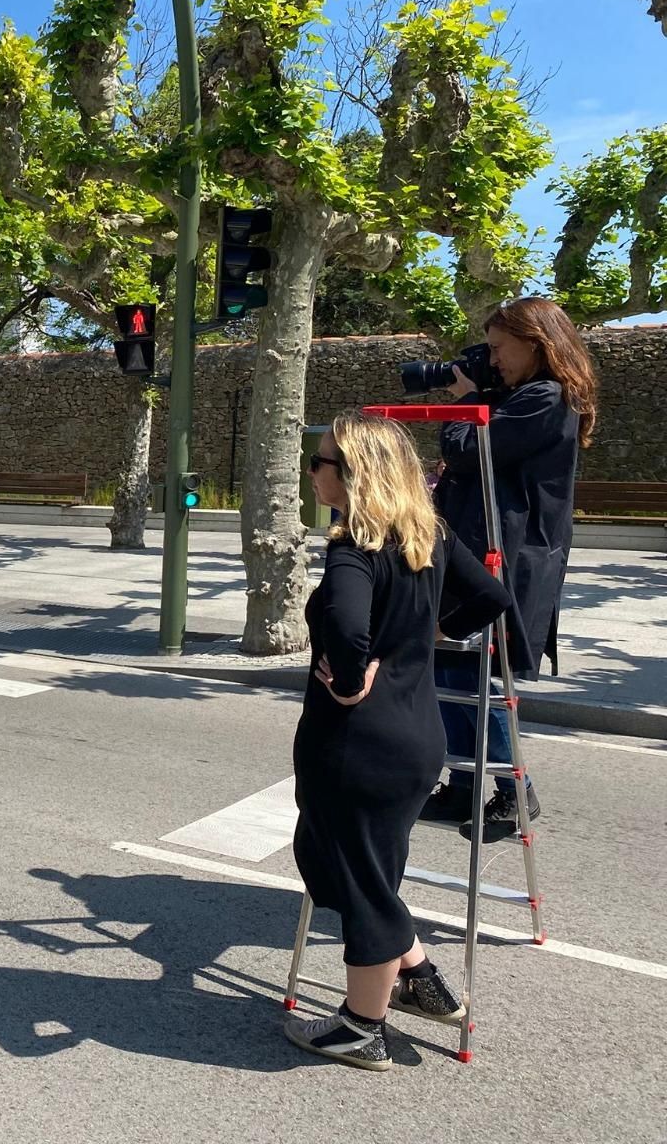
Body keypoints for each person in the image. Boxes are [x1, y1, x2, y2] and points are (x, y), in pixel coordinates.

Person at [284, 412, 513, 1072]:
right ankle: (418, 975)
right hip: (415, 738)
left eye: (321, 462)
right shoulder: (428, 535)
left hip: (356, 745)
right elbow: (490, 597)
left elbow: (347, 627)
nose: (312, 472)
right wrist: (431, 634)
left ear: (354, 475)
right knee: (332, 860)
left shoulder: (353, 548)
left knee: (363, 885)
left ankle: (362, 1027)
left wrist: (349, 678)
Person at [423, 297, 599, 839]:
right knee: (447, 665)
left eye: (500, 348)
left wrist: (468, 400)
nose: (493, 359)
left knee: (474, 672)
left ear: (536, 343)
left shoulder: (547, 397)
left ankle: (514, 790)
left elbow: (469, 450)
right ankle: (462, 783)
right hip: (478, 548)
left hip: (506, 556)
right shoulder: (522, 396)